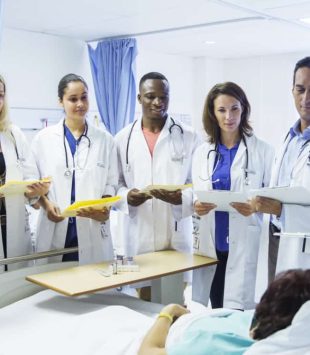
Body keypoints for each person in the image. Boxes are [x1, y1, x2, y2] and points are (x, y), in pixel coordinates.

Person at [115, 72, 201, 300]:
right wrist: (126, 197)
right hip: (139, 232)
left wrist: (179, 198)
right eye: (150, 96)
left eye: (163, 97)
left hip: (175, 232)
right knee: (143, 300)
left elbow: (199, 184)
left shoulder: (189, 136)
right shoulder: (123, 139)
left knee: (175, 300)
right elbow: (115, 185)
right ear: (139, 98)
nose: (158, 102)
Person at [192, 82, 274, 310]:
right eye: (221, 110)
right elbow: (194, 192)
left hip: (245, 243)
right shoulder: (202, 152)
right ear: (212, 113)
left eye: (234, 108)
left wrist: (257, 206)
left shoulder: (263, 151)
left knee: (242, 313)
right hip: (212, 246)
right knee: (216, 309)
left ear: (244, 109)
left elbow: (275, 199)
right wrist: (195, 204)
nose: (229, 116)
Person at [32, 73, 118, 264]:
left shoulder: (105, 140)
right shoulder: (43, 139)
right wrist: (46, 204)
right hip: (56, 224)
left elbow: (111, 184)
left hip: (91, 225)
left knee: (91, 288)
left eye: (84, 97)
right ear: (60, 101)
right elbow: (33, 184)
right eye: (73, 99)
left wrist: (104, 207)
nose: (80, 104)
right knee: (53, 288)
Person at [138, 269, 310, 355]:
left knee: (117, 310)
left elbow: (147, 351)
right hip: (197, 318)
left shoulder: (208, 345)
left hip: (168, 328)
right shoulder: (294, 332)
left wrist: (168, 312)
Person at [254, 57, 310, 282]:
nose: (306, 98)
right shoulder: (289, 138)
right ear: (292, 91)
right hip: (278, 238)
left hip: (304, 246)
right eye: (301, 89)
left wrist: (281, 211)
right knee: (278, 312)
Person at [0, 75, 49, 272]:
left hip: (14, 226)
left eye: (0, 95)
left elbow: (29, 174)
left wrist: (35, 188)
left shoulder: (13, 134)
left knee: (16, 289)